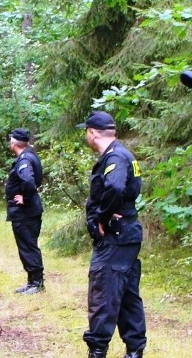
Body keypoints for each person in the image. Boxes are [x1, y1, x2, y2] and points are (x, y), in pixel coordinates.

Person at [77, 111, 147, 358]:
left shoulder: (115, 156)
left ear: (93, 132)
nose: (86, 136)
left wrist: (102, 217)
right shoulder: (123, 153)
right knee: (127, 294)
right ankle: (135, 350)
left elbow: (116, 187)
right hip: (128, 234)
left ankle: (97, 350)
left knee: (103, 292)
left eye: (86, 132)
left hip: (116, 237)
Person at [5, 128, 45, 294]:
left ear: (14, 143)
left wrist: (25, 198)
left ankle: (36, 283)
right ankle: (32, 281)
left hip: (25, 212)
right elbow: (38, 180)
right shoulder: (30, 155)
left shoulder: (24, 160)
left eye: (10, 141)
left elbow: (29, 181)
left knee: (28, 246)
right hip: (26, 212)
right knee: (27, 245)